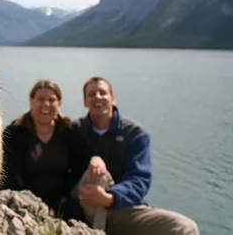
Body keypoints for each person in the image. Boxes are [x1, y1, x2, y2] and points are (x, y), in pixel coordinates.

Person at [69, 76, 200, 235]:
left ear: (113, 99)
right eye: (91, 94)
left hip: (123, 209)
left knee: (185, 227)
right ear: (85, 102)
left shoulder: (134, 134)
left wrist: (110, 198)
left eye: (103, 93)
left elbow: (140, 179)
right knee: (97, 175)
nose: (97, 97)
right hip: (85, 206)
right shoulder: (74, 130)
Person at [0, 79, 91, 217]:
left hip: (61, 201)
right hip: (22, 200)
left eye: (52, 100)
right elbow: (9, 175)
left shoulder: (69, 131)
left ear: (59, 103)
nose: (46, 104)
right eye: (40, 99)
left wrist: (96, 159)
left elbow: (81, 165)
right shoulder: (15, 133)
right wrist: (35, 204)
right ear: (31, 101)